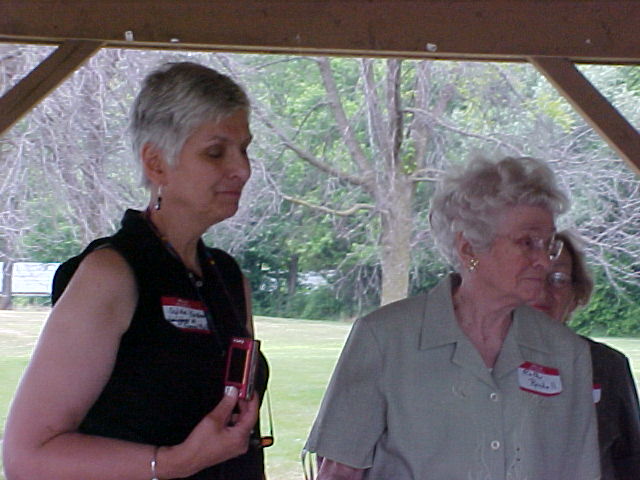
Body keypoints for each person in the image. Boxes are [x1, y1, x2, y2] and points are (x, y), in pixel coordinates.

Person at [2, 61, 269, 480]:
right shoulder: (112, 274)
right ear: (156, 164)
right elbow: (27, 458)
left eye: (244, 148)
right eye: (216, 152)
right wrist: (174, 463)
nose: (242, 168)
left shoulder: (228, 279)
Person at [304, 156, 600, 479]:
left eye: (549, 244)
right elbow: (339, 472)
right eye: (527, 243)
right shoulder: (384, 338)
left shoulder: (566, 353)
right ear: (468, 248)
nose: (544, 260)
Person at [531, 230, 640, 480]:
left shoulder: (606, 365)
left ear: (576, 295)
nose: (544, 289)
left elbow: (631, 461)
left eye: (558, 278)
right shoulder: (486, 360)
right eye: (533, 277)